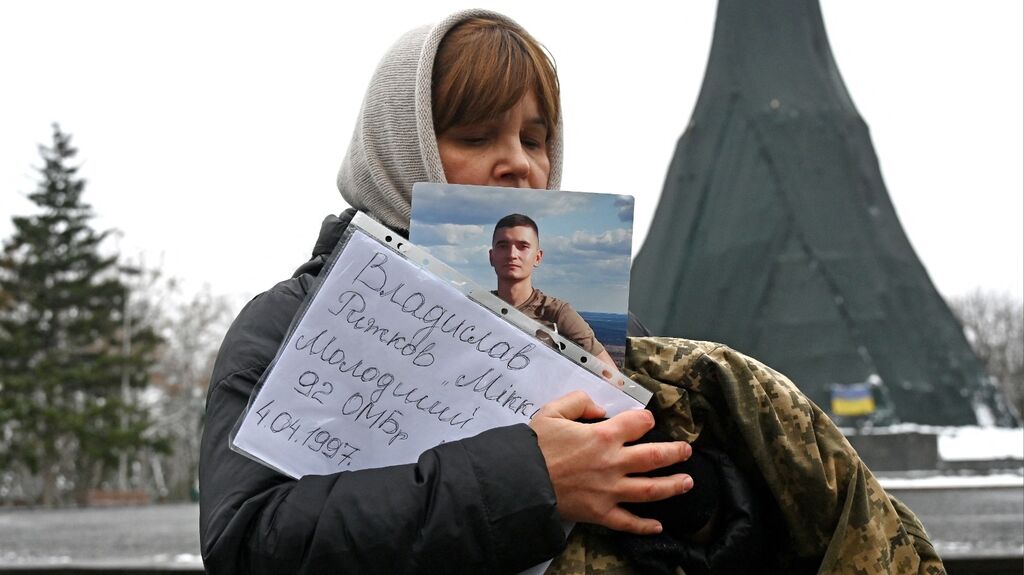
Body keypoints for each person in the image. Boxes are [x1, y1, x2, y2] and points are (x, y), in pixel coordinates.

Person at [199, 10, 693, 574]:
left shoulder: (617, 329)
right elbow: (245, 545)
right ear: (401, 149)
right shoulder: (285, 320)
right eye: (476, 136)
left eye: (535, 139)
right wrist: (530, 480)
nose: (519, 164)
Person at [489, 213, 619, 369]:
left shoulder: (558, 314)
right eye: (503, 246)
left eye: (523, 246)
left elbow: (613, 379)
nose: (512, 254)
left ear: (538, 257)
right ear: (491, 256)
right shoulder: (475, 308)